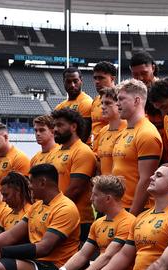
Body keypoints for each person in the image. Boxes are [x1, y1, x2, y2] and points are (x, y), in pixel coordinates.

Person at [112, 79, 163, 215]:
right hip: (119, 207)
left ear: (136, 101)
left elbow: (146, 179)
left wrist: (132, 215)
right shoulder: (123, 132)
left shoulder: (146, 133)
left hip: (136, 209)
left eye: (121, 99)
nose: (117, 104)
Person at [51, 108, 98, 242]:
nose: (55, 129)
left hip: (78, 219)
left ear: (73, 127)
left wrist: (54, 210)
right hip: (57, 215)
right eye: (54, 125)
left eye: (59, 125)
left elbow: (75, 189)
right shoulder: (56, 152)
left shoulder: (82, 151)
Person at [130, 51, 168, 163]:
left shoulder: (166, 90)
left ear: (153, 68)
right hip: (145, 146)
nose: (140, 78)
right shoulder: (135, 93)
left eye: (144, 73)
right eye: (135, 75)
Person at [93, 86, 127, 176]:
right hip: (106, 187)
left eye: (108, 103)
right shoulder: (102, 131)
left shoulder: (129, 129)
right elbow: (99, 163)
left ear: (119, 104)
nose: (103, 107)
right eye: (102, 103)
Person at [55, 66, 93, 143]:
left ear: (81, 81)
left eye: (75, 81)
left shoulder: (86, 102)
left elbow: (83, 135)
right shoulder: (60, 107)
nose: (72, 85)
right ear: (63, 82)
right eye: (68, 82)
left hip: (80, 149)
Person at [90, 61, 117, 143]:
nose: (97, 81)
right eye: (95, 78)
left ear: (112, 78)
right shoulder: (95, 100)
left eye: (101, 78)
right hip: (96, 149)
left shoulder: (120, 99)